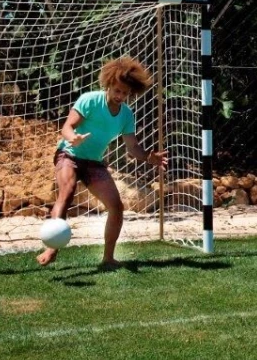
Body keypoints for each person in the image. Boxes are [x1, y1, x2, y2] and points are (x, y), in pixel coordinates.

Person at [37, 57, 168, 269]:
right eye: (117, 90)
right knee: (67, 191)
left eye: (125, 93)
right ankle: (52, 247)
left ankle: (108, 258)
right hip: (69, 155)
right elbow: (67, 127)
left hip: (93, 162)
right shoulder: (89, 100)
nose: (120, 96)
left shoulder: (126, 115)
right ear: (108, 84)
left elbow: (133, 147)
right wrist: (73, 138)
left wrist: (148, 157)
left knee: (116, 206)